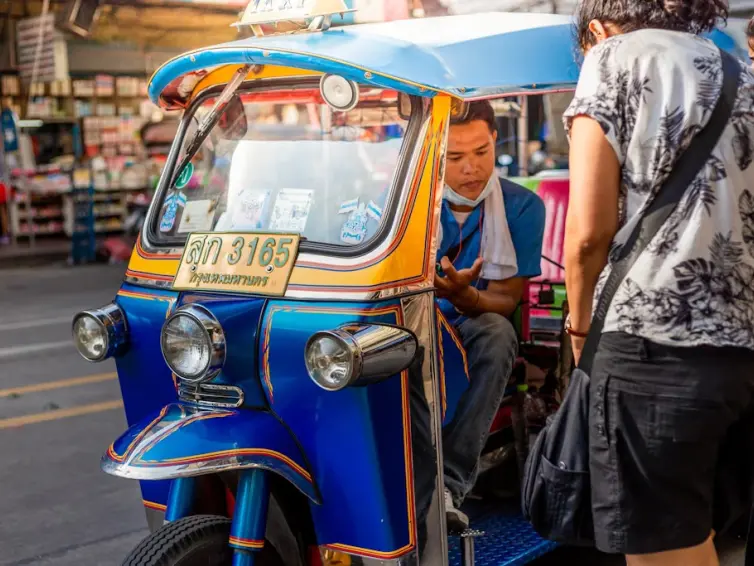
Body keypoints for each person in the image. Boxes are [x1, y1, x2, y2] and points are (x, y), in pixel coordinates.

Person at [565, 1, 754, 565]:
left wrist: (579, 331)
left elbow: (587, 235)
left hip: (651, 343)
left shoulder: (612, 57)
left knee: (663, 549)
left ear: (596, 30)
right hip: (739, 351)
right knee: (706, 537)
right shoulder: (736, 68)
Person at [435, 101, 545, 529]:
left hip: (474, 321)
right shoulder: (410, 202)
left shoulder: (522, 207)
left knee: (497, 334)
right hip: (416, 315)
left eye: (480, 152)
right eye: (455, 158)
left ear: (495, 140)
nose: (471, 169)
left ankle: (447, 484)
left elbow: (505, 298)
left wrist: (466, 298)